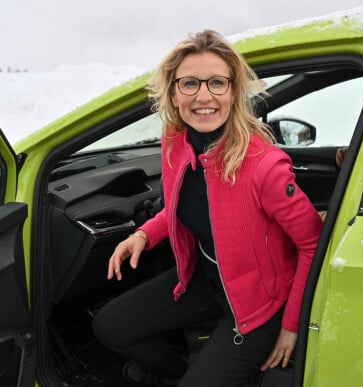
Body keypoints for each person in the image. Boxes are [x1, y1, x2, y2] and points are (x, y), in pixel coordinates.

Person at [92, 29, 323, 387]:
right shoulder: (175, 141)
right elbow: (181, 206)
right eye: (189, 84)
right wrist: (144, 234)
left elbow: (312, 244)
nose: (204, 96)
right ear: (173, 92)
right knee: (109, 326)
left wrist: (293, 326)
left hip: (261, 306)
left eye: (217, 82)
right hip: (206, 279)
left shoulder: (264, 165)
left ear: (233, 91)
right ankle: (179, 373)